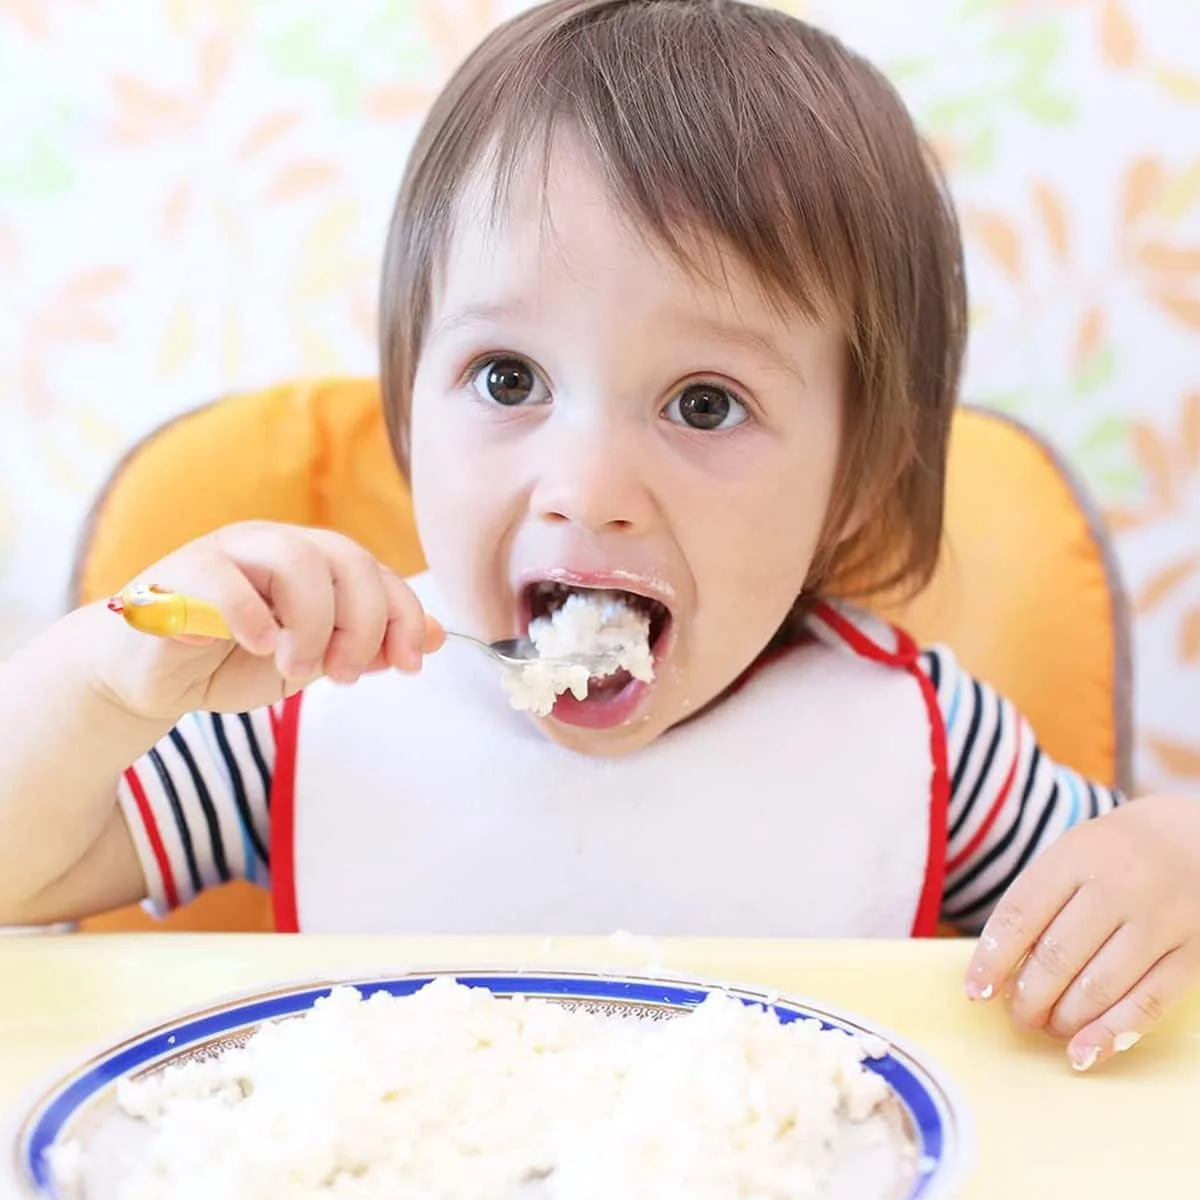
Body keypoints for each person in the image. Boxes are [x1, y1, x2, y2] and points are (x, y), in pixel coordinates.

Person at [1, 0, 1196, 1073]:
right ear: (407, 403)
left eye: (705, 404)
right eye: (508, 375)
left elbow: (1115, 928)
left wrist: (1176, 858)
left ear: (857, 481)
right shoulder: (303, 714)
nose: (586, 487)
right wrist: (106, 680)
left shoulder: (936, 748)